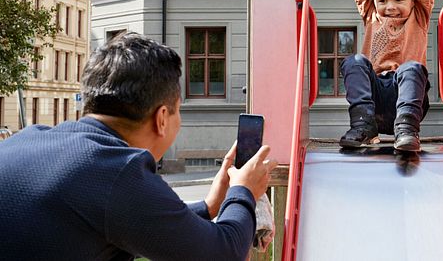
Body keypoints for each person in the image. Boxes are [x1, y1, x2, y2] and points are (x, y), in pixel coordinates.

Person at [0, 33, 277, 260]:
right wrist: (244, 190)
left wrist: (209, 207)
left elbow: (133, 221)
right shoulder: (118, 170)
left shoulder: (27, 138)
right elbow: (223, 253)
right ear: (161, 119)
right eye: (178, 111)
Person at [339, 0, 438, 152]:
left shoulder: (419, 14)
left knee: (412, 67)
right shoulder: (371, 14)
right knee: (354, 61)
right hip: (373, 100)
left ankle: (406, 130)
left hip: (406, 97)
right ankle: (363, 124)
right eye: (382, 0)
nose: (390, 6)